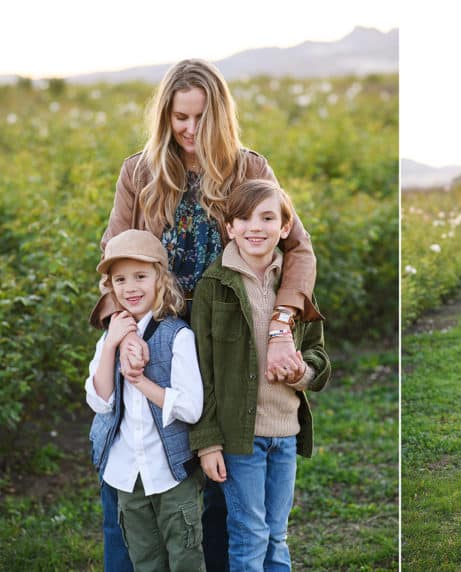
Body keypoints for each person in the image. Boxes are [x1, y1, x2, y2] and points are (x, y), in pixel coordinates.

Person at [88, 59, 319, 571]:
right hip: (158, 339)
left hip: (227, 343)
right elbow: (113, 257)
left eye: (200, 118)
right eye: (178, 118)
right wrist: (122, 332)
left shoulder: (250, 169)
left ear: (220, 115)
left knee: (218, 478)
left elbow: (299, 249)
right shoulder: (140, 171)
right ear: (165, 117)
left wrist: (281, 325)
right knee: (132, 467)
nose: (189, 130)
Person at [189, 179, 330, 571]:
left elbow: (319, 354)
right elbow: (204, 374)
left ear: (285, 228)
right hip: (240, 439)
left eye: (268, 217)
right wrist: (207, 443)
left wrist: (303, 372)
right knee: (250, 534)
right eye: (245, 217)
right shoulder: (213, 288)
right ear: (229, 227)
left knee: (277, 534)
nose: (256, 226)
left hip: (284, 434)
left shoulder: (295, 288)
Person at [85, 229, 205, 570]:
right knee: (146, 560)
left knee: (184, 556)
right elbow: (100, 401)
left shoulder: (177, 335)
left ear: (160, 278)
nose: (130, 287)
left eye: (140, 276)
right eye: (120, 279)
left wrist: (140, 382)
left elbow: (191, 407)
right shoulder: (112, 335)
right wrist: (111, 345)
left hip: (169, 471)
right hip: (127, 471)